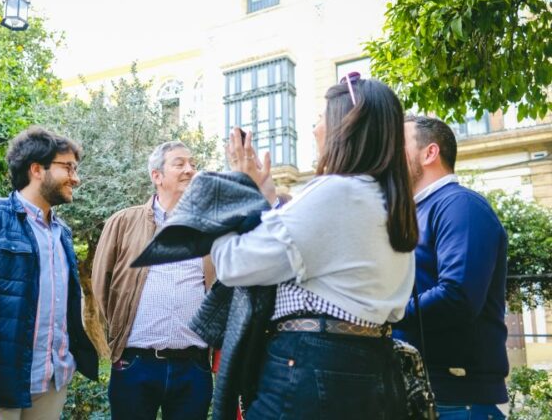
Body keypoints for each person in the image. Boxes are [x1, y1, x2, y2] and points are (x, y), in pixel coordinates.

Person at [211, 74, 417, 419]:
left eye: (321, 117)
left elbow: (234, 264)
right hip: (370, 364)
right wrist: (268, 199)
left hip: (312, 363)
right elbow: (317, 252)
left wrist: (236, 192)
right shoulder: (388, 199)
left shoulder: (336, 192)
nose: (315, 127)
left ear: (345, 127)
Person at [0, 127, 98, 420]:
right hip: (0, 386)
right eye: (68, 167)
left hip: (52, 381)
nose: (76, 177)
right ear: (36, 169)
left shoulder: (63, 233)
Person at [92, 141, 216, 420]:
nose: (190, 170)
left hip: (193, 367)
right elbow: (101, 285)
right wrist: (119, 335)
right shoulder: (123, 222)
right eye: (180, 163)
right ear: (156, 176)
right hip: (135, 364)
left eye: (193, 164)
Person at [396, 115, 508, 419]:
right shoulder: (414, 213)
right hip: (424, 393)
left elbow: (457, 295)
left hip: (458, 401)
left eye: (398, 145)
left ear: (430, 153)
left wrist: (385, 314)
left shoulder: (461, 205)